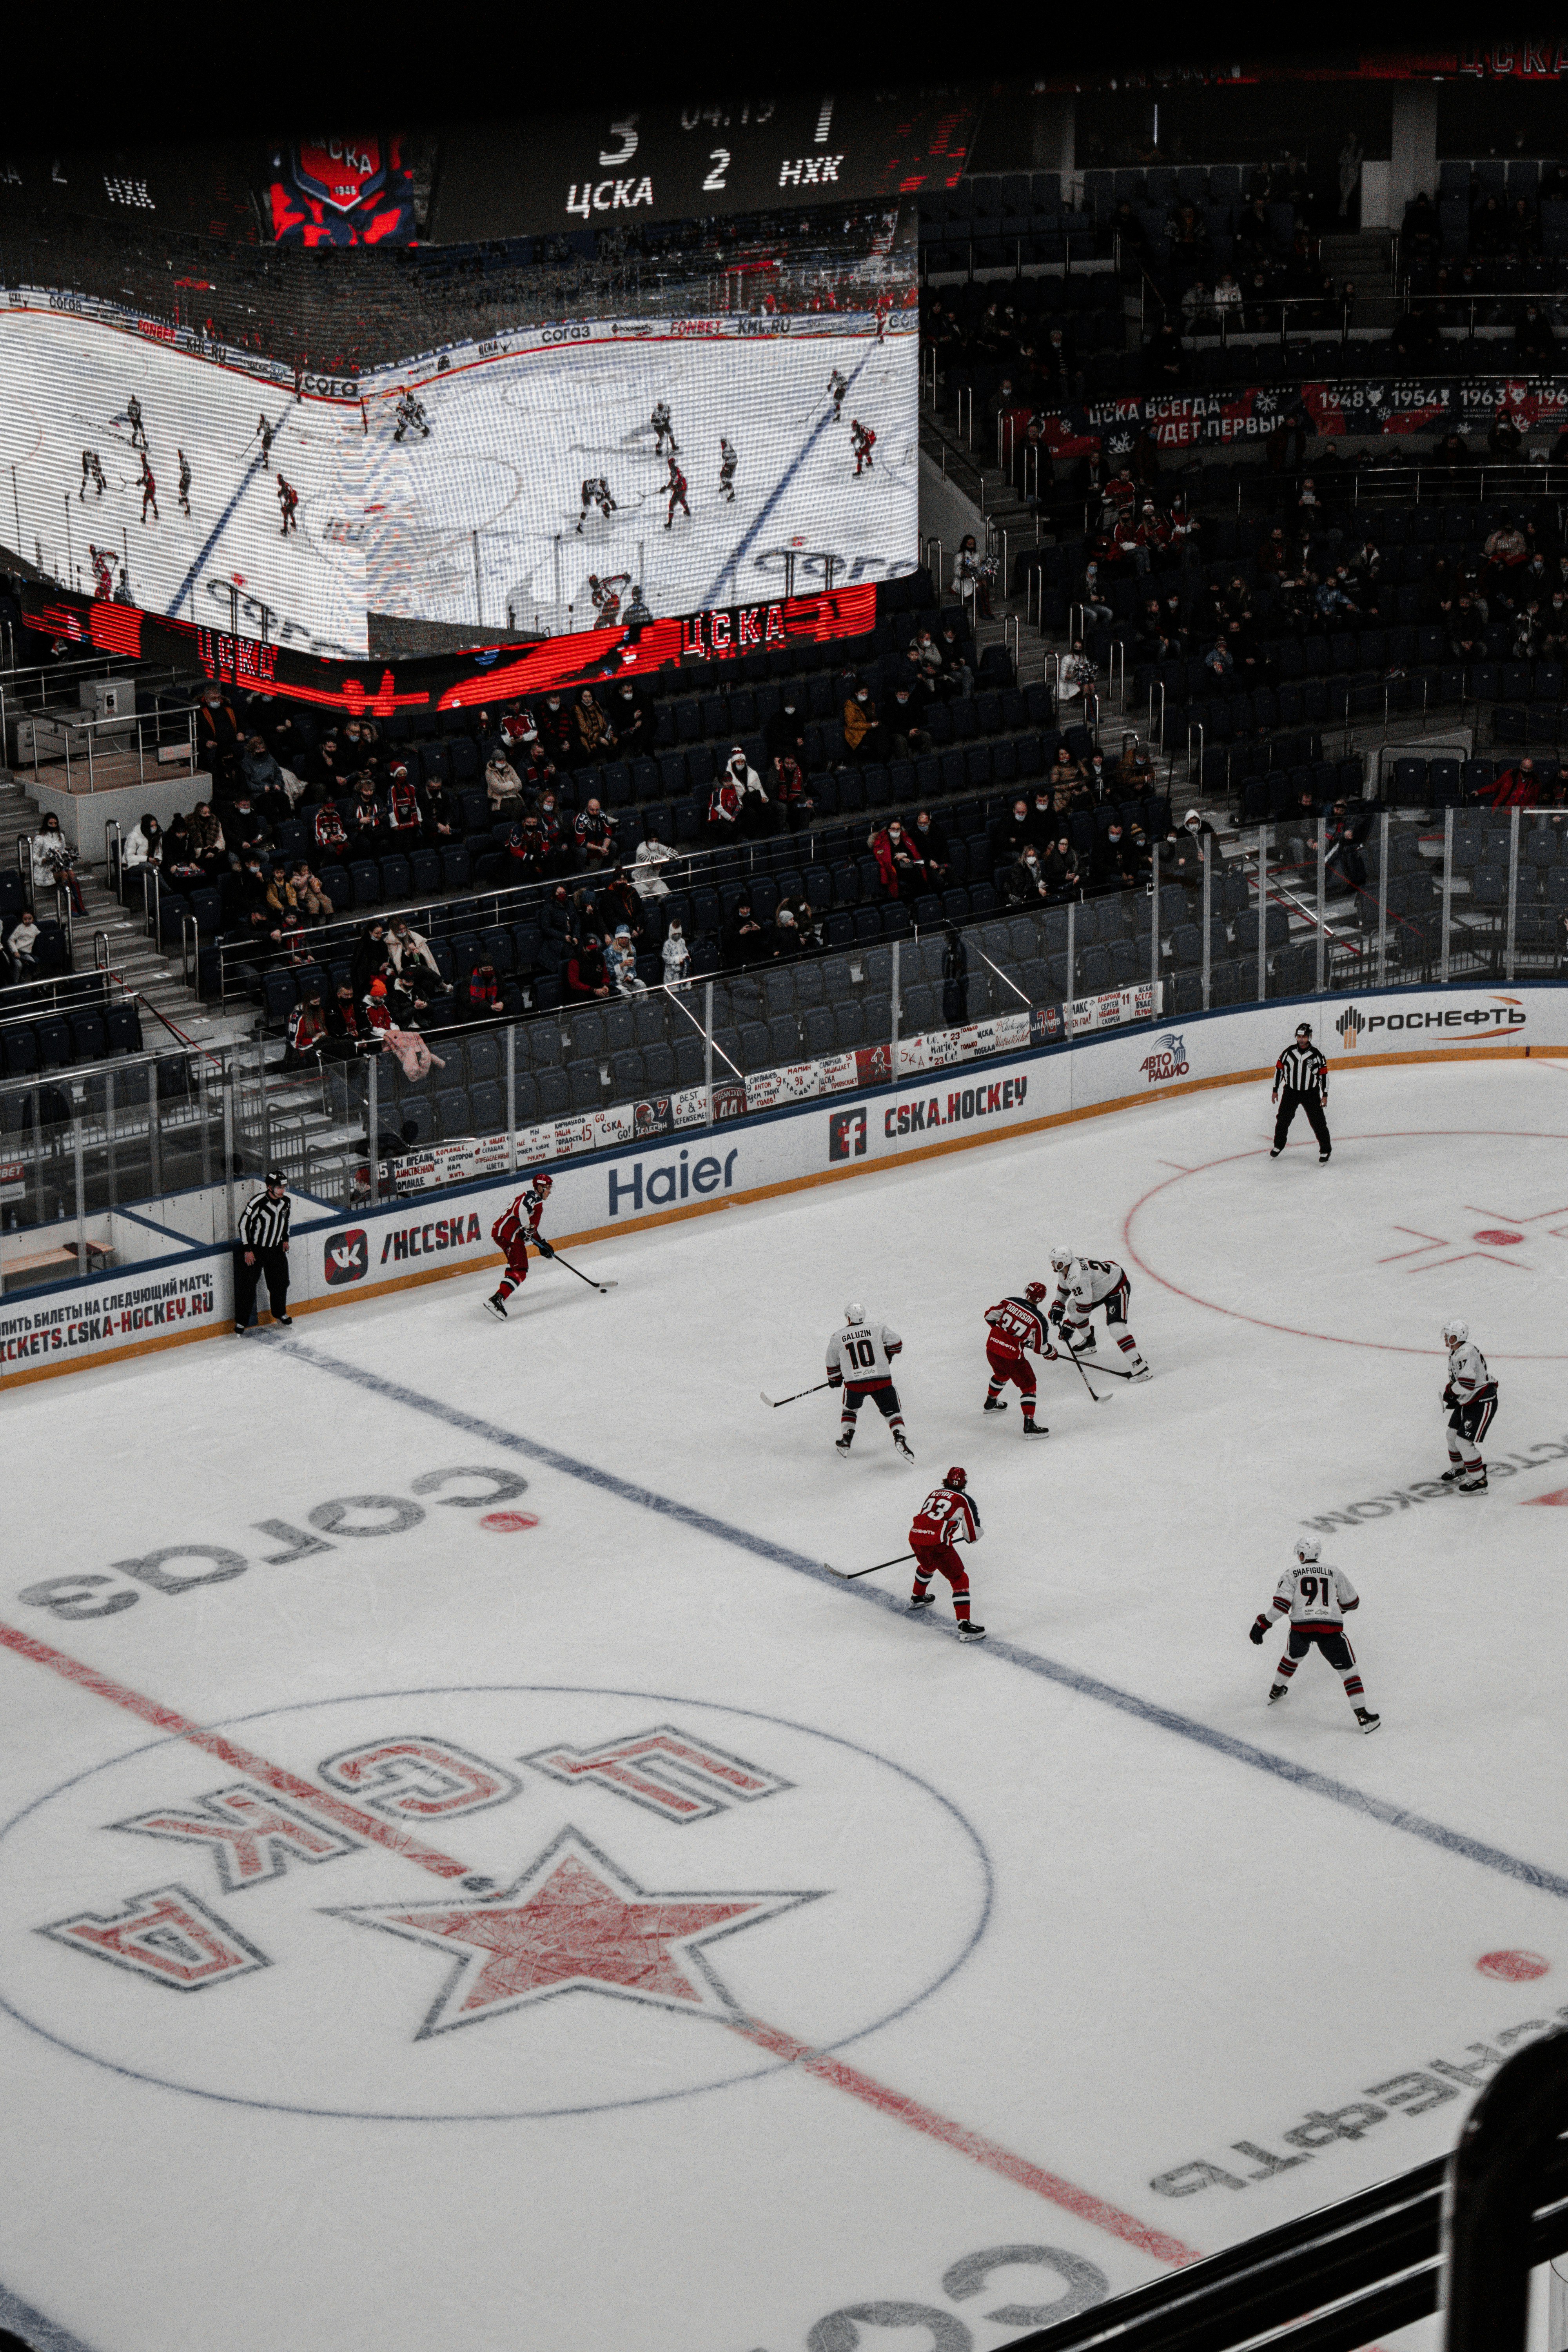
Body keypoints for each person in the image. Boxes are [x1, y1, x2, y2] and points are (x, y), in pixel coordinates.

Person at [1250, 1538, 1379, 1732]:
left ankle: (1276, 1690)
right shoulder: (1334, 1571)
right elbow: (1352, 1602)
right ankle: (1363, 1716)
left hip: (1301, 1627)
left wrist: (1264, 1623)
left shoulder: (1291, 1573)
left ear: (1303, 1555)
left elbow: (1281, 1606)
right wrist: (1333, 1609)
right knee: (1349, 1672)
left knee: (1292, 1656)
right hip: (1331, 1628)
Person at [827, 1301, 913, 1462]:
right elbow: (897, 1346)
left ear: (848, 1318)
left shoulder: (838, 1336)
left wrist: (835, 1379)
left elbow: (832, 1364)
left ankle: (846, 1439)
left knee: (850, 1410)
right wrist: (888, 1353)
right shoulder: (878, 1327)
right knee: (893, 1413)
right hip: (881, 1381)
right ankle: (900, 1438)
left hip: (855, 1384)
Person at [1047, 1246, 1150, 1379]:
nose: (1052, 1263)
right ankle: (1090, 1341)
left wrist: (1069, 1324)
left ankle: (1141, 1367)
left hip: (1116, 1287)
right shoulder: (1066, 1270)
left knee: (1116, 1328)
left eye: (1055, 1261)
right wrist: (1058, 1304)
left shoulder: (1078, 1277)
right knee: (1073, 1307)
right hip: (1100, 1286)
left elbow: (1085, 1311)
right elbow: (1064, 1290)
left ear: (1063, 1263)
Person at [907, 1467, 985, 1641]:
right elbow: (972, 1536)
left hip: (915, 1536)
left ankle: (918, 1597)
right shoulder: (965, 1500)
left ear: (946, 1480)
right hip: (937, 1544)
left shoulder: (935, 1493)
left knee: (928, 1565)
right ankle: (965, 1626)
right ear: (965, 1481)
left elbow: (928, 1518)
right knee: (960, 1579)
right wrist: (974, 1534)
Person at [982, 1282, 1056, 1435]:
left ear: (1027, 1293)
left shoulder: (1010, 1302)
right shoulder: (1039, 1320)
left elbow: (989, 1316)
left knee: (1002, 1375)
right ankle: (1029, 1425)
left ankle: (991, 1402)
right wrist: (1051, 1352)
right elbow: (1039, 1348)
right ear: (1041, 1300)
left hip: (992, 1349)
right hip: (1011, 1357)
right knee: (1029, 1386)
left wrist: (1003, 1334)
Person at [483, 1174, 555, 1321]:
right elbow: (522, 1211)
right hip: (508, 1236)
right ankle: (498, 1299)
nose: (550, 1192)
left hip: (507, 1234)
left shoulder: (537, 1203)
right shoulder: (532, 1198)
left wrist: (542, 1244)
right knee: (520, 1270)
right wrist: (527, 1228)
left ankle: (503, 1291)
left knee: (515, 1266)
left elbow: (530, 1228)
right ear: (540, 1188)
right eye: (547, 1188)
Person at [1439, 1317, 1497, 1494]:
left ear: (1458, 1337)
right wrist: (1454, 1396)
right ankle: (1460, 1467)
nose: (1445, 1338)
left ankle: (1479, 1479)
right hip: (1468, 1398)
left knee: (1463, 1442)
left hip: (1481, 1400)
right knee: (1452, 1435)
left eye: (1449, 1336)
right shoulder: (1456, 1351)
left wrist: (1451, 1392)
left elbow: (1466, 1384)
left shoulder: (1465, 1353)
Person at [234, 1168, 292, 1333]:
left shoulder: (286, 1202)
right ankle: (242, 1322)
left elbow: (285, 1221)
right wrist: (247, 1249)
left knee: (281, 1283)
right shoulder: (258, 1202)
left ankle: (280, 1313)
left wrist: (285, 1239)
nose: (282, 1190)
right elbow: (243, 1225)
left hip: (276, 1249)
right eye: (279, 1187)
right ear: (269, 1187)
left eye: (284, 1187)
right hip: (256, 1251)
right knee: (247, 1287)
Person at [1270, 1020, 1331, 1162]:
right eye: (1299, 1037)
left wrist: (1325, 1094)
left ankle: (1326, 1151)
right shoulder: (1288, 1053)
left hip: (1311, 1093)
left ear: (1309, 1037)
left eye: (1304, 1037)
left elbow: (1323, 1076)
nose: (1301, 1039)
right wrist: (1275, 1090)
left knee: (1318, 1123)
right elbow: (1279, 1071)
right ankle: (1278, 1145)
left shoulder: (1317, 1055)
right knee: (1283, 1120)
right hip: (1291, 1092)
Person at [31, 815, 84, 914]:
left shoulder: (61, 836)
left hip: (59, 865)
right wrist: (45, 860)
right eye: (51, 823)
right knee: (64, 875)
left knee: (71, 873)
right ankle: (71, 906)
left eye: (55, 823)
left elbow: (63, 851)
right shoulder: (40, 838)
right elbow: (34, 857)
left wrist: (67, 857)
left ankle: (79, 904)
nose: (53, 825)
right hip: (45, 869)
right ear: (46, 824)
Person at [5, 905, 39, 984]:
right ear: (22, 920)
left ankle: (24, 978)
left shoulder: (34, 928)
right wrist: (15, 952)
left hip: (26, 953)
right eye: (25, 919)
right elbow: (11, 940)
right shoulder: (20, 928)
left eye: (30, 919)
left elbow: (38, 935)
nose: (28, 921)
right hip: (17, 952)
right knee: (19, 965)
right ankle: (15, 983)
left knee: (32, 963)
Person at [662, 916, 690, 991]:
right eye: (675, 934)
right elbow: (666, 958)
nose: (677, 935)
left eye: (679, 933)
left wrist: (686, 958)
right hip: (672, 974)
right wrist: (678, 960)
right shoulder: (667, 944)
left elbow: (685, 952)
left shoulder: (682, 942)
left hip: (682, 971)